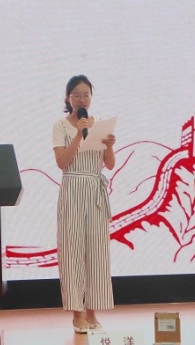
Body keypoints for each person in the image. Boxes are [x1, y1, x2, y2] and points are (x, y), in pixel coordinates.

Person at [52, 74, 116, 333]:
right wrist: (79, 135)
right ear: (68, 98)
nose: (81, 99)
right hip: (72, 188)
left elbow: (109, 164)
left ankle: (92, 312)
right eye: (76, 95)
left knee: (97, 253)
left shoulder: (99, 124)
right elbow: (61, 162)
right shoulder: (60, 125)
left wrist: (109, 146)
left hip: (95, 189)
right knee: (73, 252)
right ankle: (77, 313)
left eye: (86, 95)